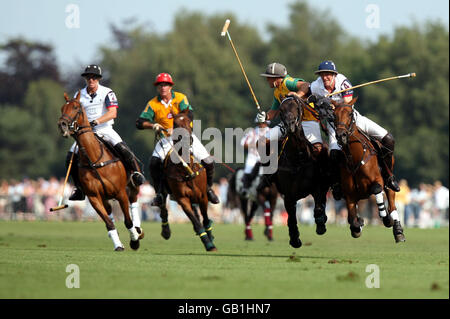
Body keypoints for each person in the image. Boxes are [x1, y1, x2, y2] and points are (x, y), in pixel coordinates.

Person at [310, 60, 400, 193]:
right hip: (334, 125)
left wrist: (328, 102)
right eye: (322, 74)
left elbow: (346, 105)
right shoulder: (316, 86)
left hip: (352, 120)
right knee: (334, 154)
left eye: (328, 74)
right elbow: (306, 93)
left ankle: (388, 176)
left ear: (334, 75)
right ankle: (336, 184)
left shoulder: (343, 82)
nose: (325, 77)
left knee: (388, 139)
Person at [135, 72, 219, 206]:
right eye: (160, 85)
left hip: (186, 136)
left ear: (170, 86)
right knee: (154, 163)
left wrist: (177, 129)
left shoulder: (180, 98)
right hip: (166, 140)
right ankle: (160, 194)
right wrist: (153, 125)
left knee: (208, 161)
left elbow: (189, 114)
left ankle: (208, 189)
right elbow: (139, 122)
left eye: (166, 85)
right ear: (157, 87)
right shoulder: (153, 103)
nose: (163, 87)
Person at [66, 65, 146, 201]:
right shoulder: (78, 95)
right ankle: (79, 188)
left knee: (122, 148)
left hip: (104, 129)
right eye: (88, 77)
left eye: (94, 77)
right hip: (86, 133)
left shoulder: (107, 92)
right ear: (85, 79)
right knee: (70, 156)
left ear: (98, 79)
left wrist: (96, 122)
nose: (91, 80)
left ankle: (136, 173)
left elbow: (112, 113)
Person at [257, 62, 330, 190]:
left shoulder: (288, 82)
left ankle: (327, 176)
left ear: (277, 78)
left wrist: (298, 94)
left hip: (307, 120)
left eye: (269, 77)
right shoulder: (276, 92)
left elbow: (306, 85)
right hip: (288, 123)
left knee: (318, 149)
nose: (267, 80)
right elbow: (273, 112)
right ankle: (269, 174)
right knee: (262, 142)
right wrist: (265, 116)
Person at [240, 116, 270, 195]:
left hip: (267, 157)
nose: (262, 125)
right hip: (253, 156)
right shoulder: (252, 132)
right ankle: (245, 188)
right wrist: (254, 145)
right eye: (260, 123)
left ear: (266, 123)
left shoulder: (271, 132)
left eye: (263, 123)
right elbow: (243, 143)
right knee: (248, 170)